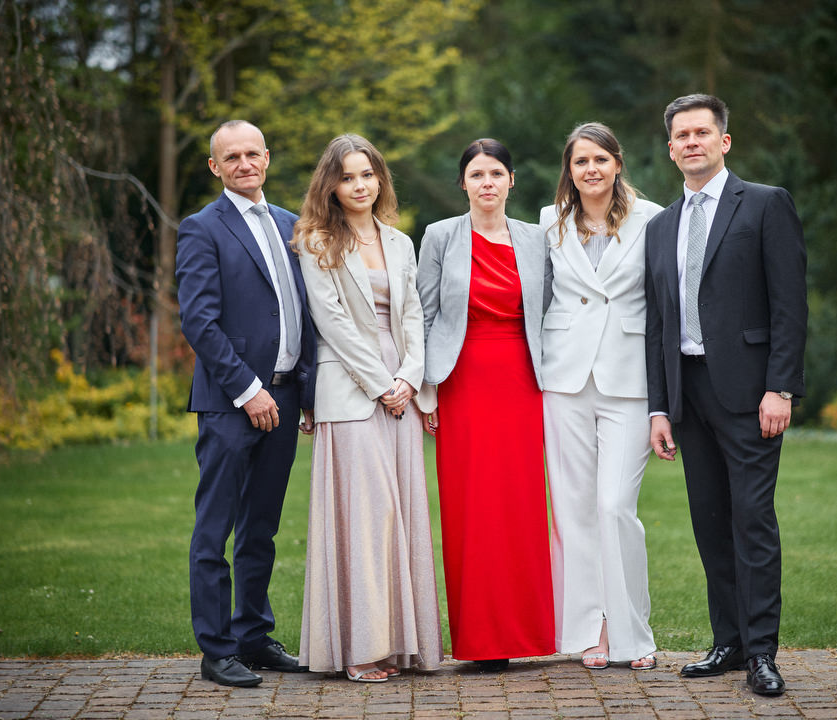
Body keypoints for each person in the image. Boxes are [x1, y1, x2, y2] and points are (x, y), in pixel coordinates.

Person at [644, 94, 807, 696]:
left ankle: (762, 652)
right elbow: (658, 324)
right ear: (670, 149)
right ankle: (730, 642)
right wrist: (660, 407)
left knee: (752, 520)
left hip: (750, 394)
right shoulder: (661, 226)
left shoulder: (764, 204)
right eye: (681, 135)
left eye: (702, 133)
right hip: (688, 394)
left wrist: (780, 387)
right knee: (710, 523)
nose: (692, 142)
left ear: (724, 141)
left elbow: (790, 305)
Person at [292, 134, 443, 683]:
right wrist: (382, 384)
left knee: (402, 517)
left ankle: (399, 646)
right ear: (330, 185)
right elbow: (331, 323)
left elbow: (414, 317)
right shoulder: (316, 241)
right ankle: (358, 648)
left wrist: (408, 378)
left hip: (400, 389)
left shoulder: (399, 242)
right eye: (347, 177)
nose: (359, 185)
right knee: (366, 516)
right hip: (351, 389)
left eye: (367, 174)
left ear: (380, 179)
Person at [176, 119, 317, 687]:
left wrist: (305, 391)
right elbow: (200, 322)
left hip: (285, 396)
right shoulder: (201, 228)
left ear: (267, 157)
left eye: (252, 154)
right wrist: (247, 389)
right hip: (232, 402)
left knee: (261, 528)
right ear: (216, 167)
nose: (244, 164)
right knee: (215, 530)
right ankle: (216, 650)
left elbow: (304, 312)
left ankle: (253, 637)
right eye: (231, 157)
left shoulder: (290, 224)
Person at [416, 138, 554, 671]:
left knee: (520, 504)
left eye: (496, 173)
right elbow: (425, 315)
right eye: (477, 174)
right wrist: (428, 388)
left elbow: (548, 311)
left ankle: (525, 634)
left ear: (511, 180)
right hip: (462, 380)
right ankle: (479, 640)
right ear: (463, 183)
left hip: (521, 379)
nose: (487, 182)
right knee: (470, 507)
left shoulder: (537, 238)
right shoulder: (439, 236)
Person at [539, 122, 662, 671]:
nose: (591, 169)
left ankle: (631, 632)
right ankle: (588, 631)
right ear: (569, 170)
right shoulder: (549, 223)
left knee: (614, 506)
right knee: (573, 510)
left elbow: (664, 303)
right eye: (580, 161)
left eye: (600, 159)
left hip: (628, 379)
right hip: (564, 379)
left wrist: (666, 397)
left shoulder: (652, 219)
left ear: (617, 164)